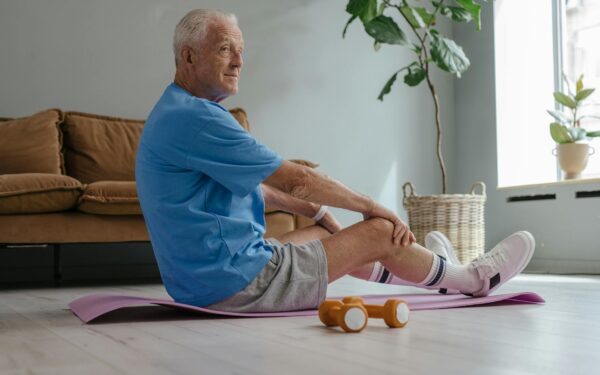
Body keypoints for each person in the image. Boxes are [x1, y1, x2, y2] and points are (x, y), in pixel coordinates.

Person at [135, 9, 535, 312]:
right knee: (379, 231)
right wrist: (374, 207)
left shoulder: (174, 111)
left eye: (240, 50)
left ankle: (438, 270)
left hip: (200, 283)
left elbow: (260, 189)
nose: (239, 61)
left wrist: (315, 211)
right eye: (225, 49)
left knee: (328, 235)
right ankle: (472, 279)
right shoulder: (199, 118)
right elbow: (297, 179)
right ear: (187, 57)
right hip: (239, 285)